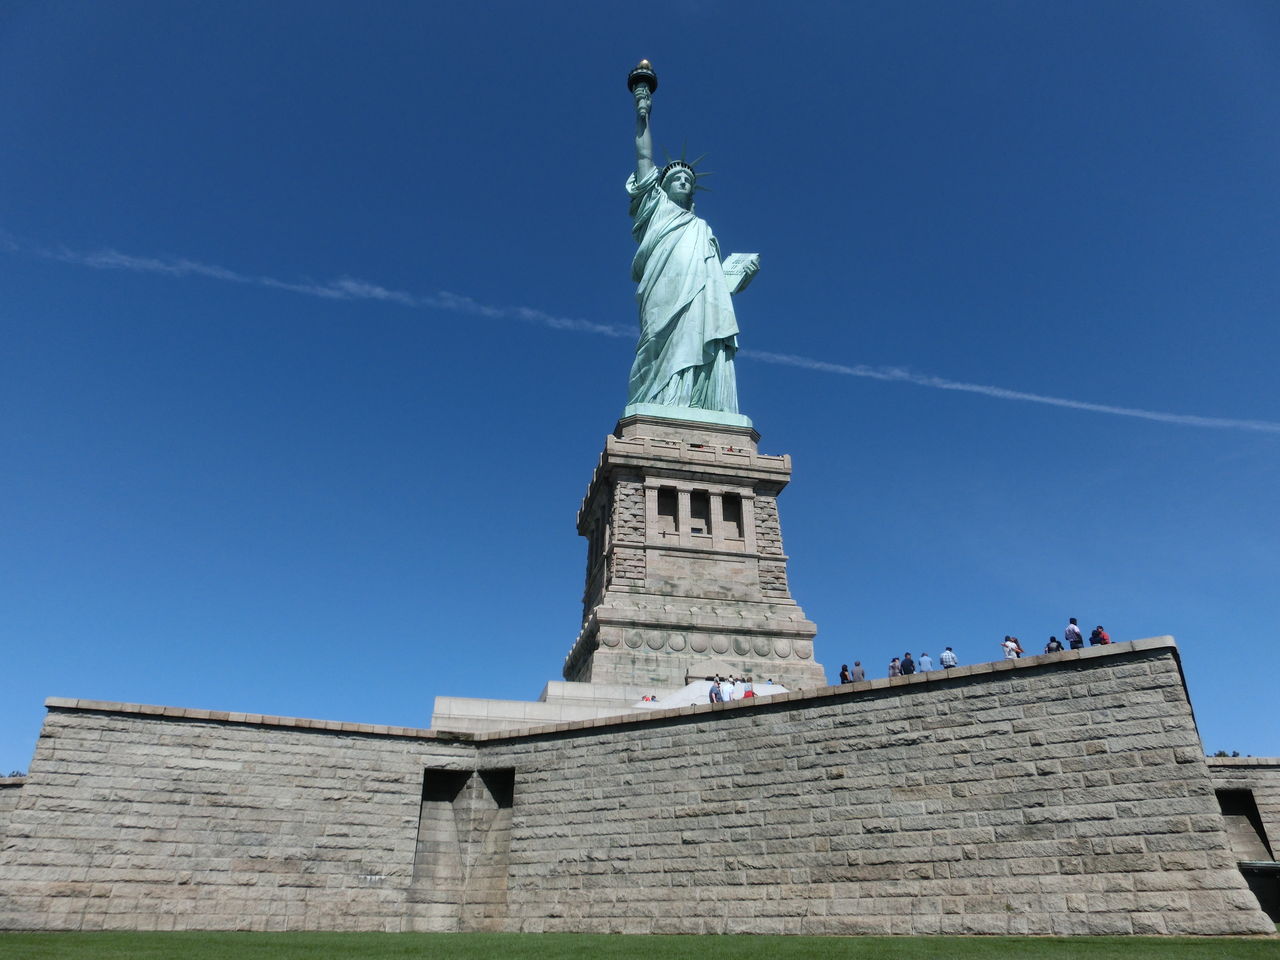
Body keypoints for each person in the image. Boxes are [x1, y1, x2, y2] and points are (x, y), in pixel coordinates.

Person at [626, 71, 758, 413]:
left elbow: (716, 281)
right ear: (663, 185)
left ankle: (695, 402)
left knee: (700, 333)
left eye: (688, 179)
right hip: (663, 289)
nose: (683, 182)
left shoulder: (702, 227)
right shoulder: (653, 209)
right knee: (658, 339)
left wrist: (734, 275)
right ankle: (659, 400)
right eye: (676, 177)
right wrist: (642, 110)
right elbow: (643, 159)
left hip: (700, 295)